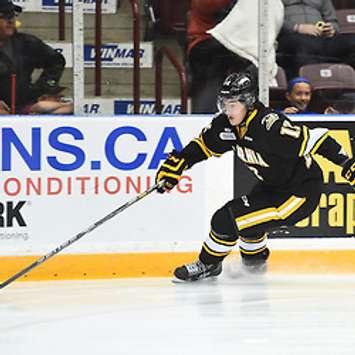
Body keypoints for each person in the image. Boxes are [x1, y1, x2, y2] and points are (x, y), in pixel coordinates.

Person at [155, 69, 355, 282]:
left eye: (232, 104)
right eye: (224, 103)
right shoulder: (226, 124)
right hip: (272, 186)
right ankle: (254, 270)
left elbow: (319, 137)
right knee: (250, 226)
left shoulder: (270, 126)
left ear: (248, 102)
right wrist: (176, 166)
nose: (226, 110)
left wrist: (346, 162)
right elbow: (203, 146)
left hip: (300, 194)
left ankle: (208, 265)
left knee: (226, 219)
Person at [0, 0, 66, 114]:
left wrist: (44, 89)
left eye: (12, 15)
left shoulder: (26, 43)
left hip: (25, 107)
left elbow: (56, 61)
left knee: (64, 108)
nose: (11, 21)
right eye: (4, 16)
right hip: (2, 111)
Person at [277, 0, 355, 80]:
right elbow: (273, 18)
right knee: (300, 44)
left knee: (353, 42)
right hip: (292, 37)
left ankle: (344, 83)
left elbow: (332, 20)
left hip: (321, 39)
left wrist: (332, 29)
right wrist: (297, 28)